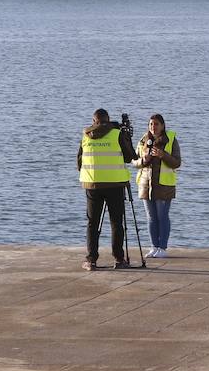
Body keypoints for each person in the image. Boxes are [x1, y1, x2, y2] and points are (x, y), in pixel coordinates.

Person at [77, 108, 137, 270]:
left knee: (92, 223)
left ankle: (91, 260)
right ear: (108, 120)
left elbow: (79, 162)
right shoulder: (116, 134)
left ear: (93, 121)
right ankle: (119, 259)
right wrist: (127, 138)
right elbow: (129, 156)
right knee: (116, 222)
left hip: (92, 185)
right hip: (114, 184)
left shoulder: (85, 135)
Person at [135, 113, 180, 258]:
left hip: (164, 185)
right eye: (150, 124)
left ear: (162, 125)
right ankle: (154, 247)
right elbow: (134, 161)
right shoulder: (143, 140)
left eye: (156, 124)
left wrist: (163, 155)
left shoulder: (171, 139)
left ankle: (163, 248)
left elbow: (177, 162)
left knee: (162, 216)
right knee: (151, 217)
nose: (153, 127)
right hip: (146, 185)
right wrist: (144, 159)